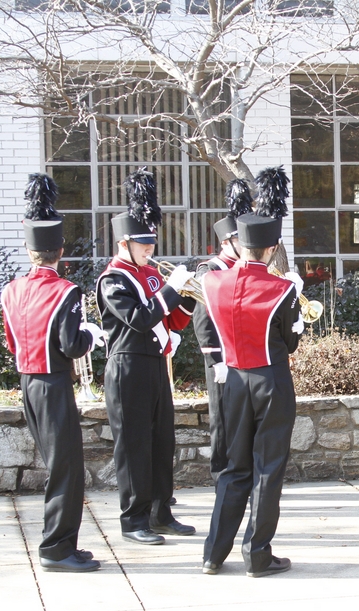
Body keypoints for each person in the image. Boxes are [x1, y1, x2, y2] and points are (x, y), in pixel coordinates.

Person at [1, 173, 105, 573]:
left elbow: (12, 341)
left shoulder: (10, 290)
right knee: (66, 469)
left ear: (31, 253)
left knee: (56, 464)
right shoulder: (66, 291)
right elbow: (72, 345)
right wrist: (91, 335)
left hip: (28, 381)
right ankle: (56, 547)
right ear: (60, 250)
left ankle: (61, 543)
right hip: (54, 382)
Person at [96, 168, 196, 545]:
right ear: (124, 243)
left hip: (155, 365)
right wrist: (170, 289)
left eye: (151, 244)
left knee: (161, 441)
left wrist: (185, 294)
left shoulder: (153, 275)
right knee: (134, 445)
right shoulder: (113, 280)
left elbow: (173, 320)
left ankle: (159, 513)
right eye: (142, 245)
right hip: (126, 365)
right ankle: (132, 519)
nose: (149, 250)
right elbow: (140, 318)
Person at [200, 211, 303, 577]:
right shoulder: (283, 289)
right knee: (267, 468)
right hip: (271, 380)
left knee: (233, 468)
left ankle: (214, 552)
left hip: (234, 383)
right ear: (272, 248)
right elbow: (291, 343)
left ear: (240, 244)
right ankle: (257, 554)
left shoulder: (212, 282)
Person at [192, 179, 247, 478]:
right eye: (239, 239)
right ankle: (221, 473)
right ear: (226, 241)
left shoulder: (246, 267)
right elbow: (203, 318)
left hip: (246, 352)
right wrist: (215, 358)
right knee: (223, 418)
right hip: (222, 356)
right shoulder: (210, 269)